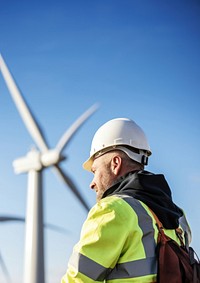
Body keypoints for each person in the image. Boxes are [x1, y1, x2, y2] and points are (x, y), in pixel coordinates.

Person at [61, 117, 191, 283]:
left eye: (95, 171)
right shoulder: (178, 216)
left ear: (115, 163)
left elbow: (78, 280)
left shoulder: (113, 210)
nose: (92, 183)